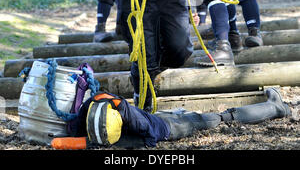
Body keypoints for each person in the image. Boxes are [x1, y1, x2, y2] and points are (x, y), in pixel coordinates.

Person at [51, 87, 290, 149]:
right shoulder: (139, 127)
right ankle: (276, 108)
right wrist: (113, 102)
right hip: (175, 126)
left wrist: (56, 141)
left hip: (163, 120)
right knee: (226, 117)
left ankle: (275, 107)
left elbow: (74, 138)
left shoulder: (102, 139)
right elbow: (129, 113)